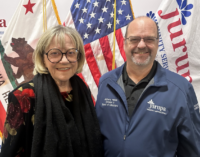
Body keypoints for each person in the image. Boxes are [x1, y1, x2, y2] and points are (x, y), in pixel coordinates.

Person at [95, 16, 200, 157]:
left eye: (149, 39)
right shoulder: (106, 83)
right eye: (134, 39)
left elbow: (192, 150)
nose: (142, 45)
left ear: (157, 43)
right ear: (125, 43)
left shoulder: (180, 89)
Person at [0, 25, 103, 157]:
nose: (64, 60)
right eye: (55, 53)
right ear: (43, 58)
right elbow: (11, 152)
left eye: (71, 52)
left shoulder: (82, 89)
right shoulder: (24, 95)